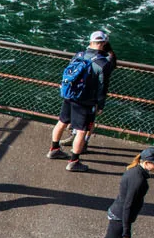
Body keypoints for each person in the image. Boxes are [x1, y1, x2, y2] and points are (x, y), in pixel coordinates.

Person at [48, 30, 116, 172]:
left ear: (90, 42)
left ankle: (54, 149)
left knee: (61, 122)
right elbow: (102, 86)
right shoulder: (102, 63)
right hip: (86, 101)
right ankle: (74, 161)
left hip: (69, 95)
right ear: (103, 43)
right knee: (81, 131)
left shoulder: (78, 55)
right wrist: (100, 104)